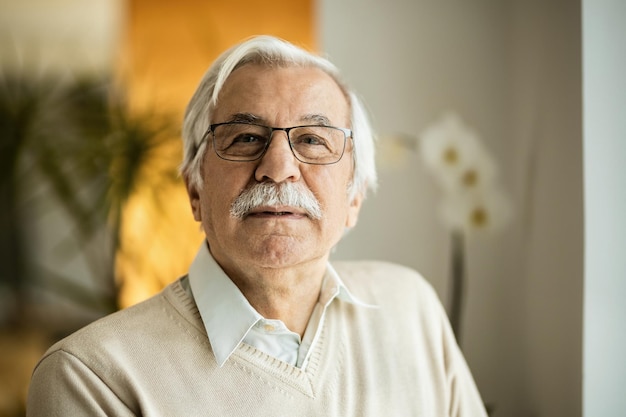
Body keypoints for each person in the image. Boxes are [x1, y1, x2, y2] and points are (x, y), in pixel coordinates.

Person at [27, 35, 487, 416]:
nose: (279, 166)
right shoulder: (92, 376)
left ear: (354, 197)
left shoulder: (410, 308)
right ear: (195, 189)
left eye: (312, 139)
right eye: (246, 138)